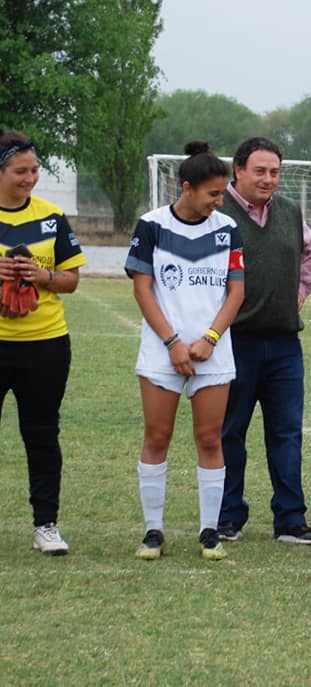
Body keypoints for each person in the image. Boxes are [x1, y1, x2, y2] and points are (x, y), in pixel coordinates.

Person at [126, 141, 244, 561]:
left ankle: (209, 532)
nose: (219, 200)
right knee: (157, 436)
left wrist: (210, 339)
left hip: (213, 352)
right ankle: (153, 531)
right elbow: (143, 289)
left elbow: (236, 291)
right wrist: (173, 343)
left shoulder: (227, 229)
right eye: (213, 193)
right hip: (162, 352)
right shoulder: (151, 225)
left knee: (210, 439)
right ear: (187, 187)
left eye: (222, 193)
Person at [216, 137, 311, 545]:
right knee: (230, 432)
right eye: (259, 171)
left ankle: (291, 520)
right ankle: (228, 517)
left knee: (287, 433)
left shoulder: (291, 213)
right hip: (233, 343)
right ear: (238, 170)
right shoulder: (217, 212)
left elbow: (310, 253)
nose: (268, 179)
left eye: (274, 172)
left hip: (283, 345)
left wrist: (295, 298)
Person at [0, 129, 86, 555]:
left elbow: (71, 279)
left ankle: (46, 525)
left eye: (34, 169)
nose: (30, 177)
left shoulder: (52, 217)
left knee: (42, 435)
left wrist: (44, 277)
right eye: (21, 170)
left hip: (46, 345)